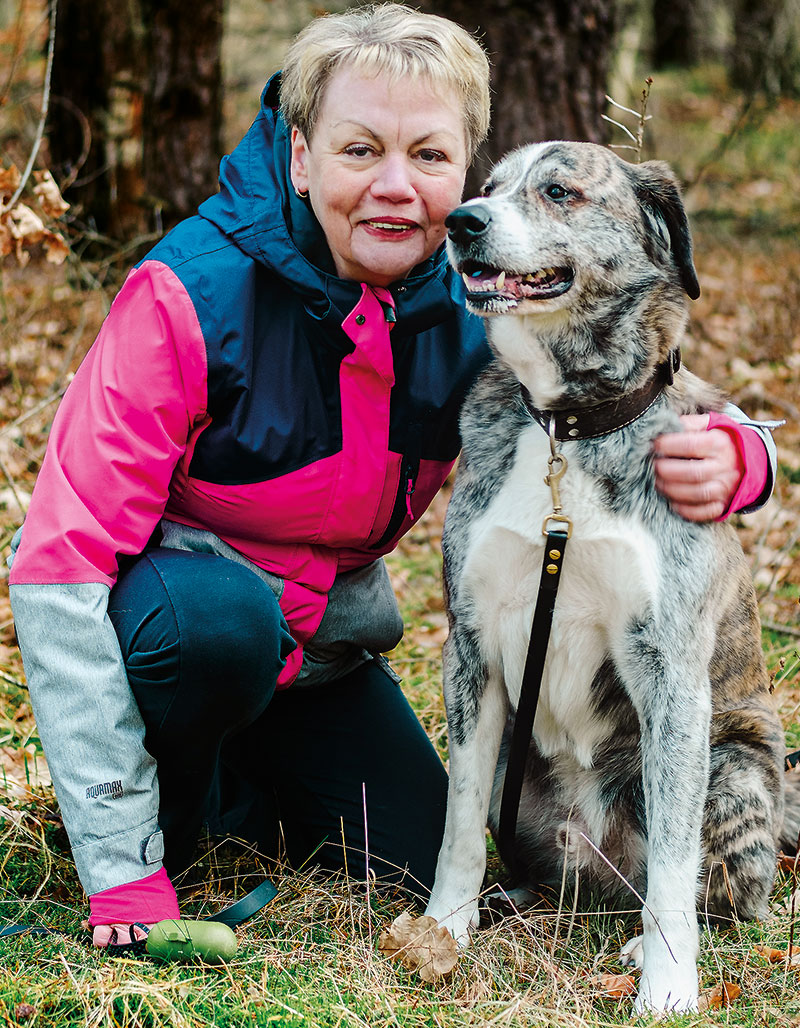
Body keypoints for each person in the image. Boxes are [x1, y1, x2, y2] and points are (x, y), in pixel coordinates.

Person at [8, 3, 777, 950]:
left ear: (465, 170)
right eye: (360, 150)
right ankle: (160, 817)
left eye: (429, 156)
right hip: (185, 639)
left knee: (412, 855)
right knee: (220, 626)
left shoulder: (479, 294)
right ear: (300, 157)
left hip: (319, 664)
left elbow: (631, 373)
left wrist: (746, 453)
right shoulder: (187, 297)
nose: (398, 189)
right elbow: (57, 572)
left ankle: (246, 793)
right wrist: (120, 868)